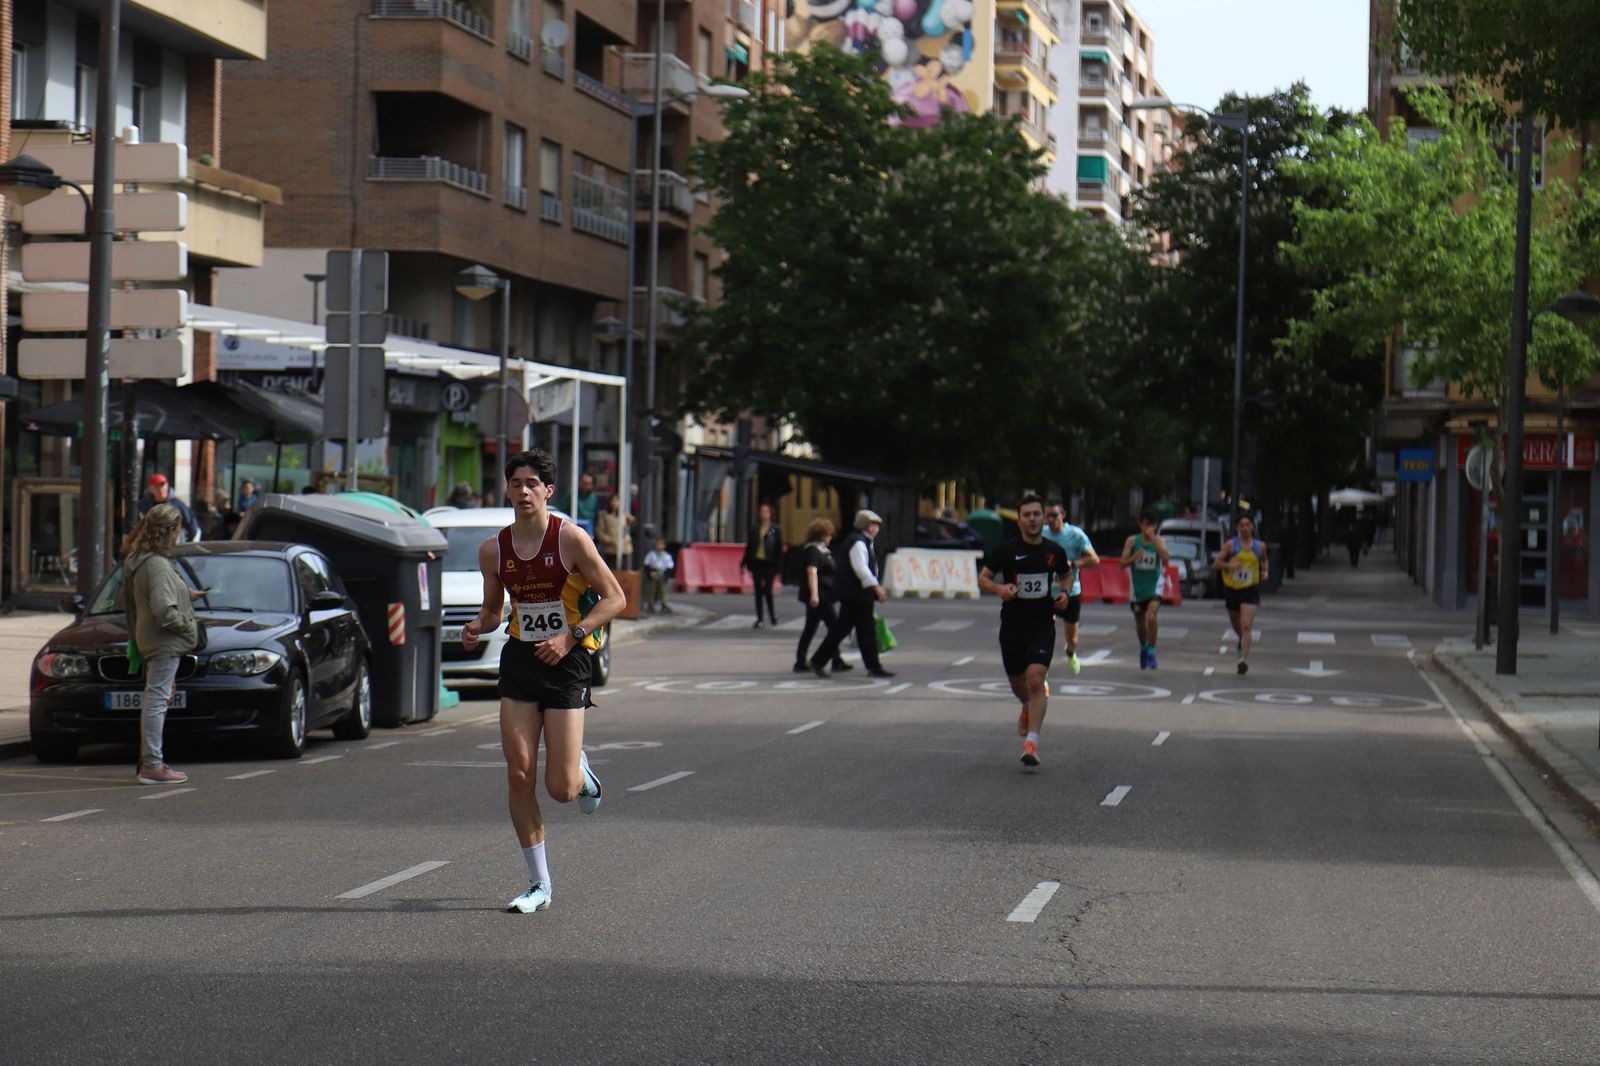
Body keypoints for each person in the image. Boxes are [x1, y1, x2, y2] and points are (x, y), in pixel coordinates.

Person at [461, 449, 626, 914]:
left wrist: (570, 636)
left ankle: (580, 772)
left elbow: (615, 598)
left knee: (561, 790)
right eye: (517, 483)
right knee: (518, 774)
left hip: (567, 661)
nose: (524, 491)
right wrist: (477, 626)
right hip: (520, 661)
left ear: (548, 491)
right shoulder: (493, 549)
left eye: (533, 483)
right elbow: (495, 610)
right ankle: (539, 885)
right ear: (508, 490)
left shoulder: (570, 539)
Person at [977, 494, 1073, 769]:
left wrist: (1064, 593)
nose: (1032, 519)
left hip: (1043, 624)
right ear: (1019, 520)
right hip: (1013, 626)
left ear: (1044, 518)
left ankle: (1031, 742)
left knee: (1035, 679)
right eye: (1027, 515)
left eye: (1036, 514)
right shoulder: (1006, 551)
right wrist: (1000, 589)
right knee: (1019, 685)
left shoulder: (1054, 551)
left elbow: (1066, 574)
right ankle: (1026, 706)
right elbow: (983, 579)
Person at [117, 504, 205, 785]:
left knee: (158, 697)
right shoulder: (156, 564)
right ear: (171, 531)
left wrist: (186, 594)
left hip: (152, 638)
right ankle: (152, 764)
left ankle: (150, 761)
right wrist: (188, 624)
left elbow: (156, 596)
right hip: (163, 640)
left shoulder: (142, 558)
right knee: (156, 700)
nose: (179, 534)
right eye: (178, 529)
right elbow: (163, 611)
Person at [810, 509, 893, 679]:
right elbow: (860, 568)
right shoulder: (858, 542)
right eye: (872, 525)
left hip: (858, 594)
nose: (876, 529)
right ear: (864, 526)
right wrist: (876, 587)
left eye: (877, 525)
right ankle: (819, 660)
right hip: (856, 595)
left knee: (863, 630)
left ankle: (873, 665)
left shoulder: (862, 541)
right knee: (847, 629)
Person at [1039, 500, 1099, 674]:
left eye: (1054, 515)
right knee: (1044, 632)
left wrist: (1073, 563)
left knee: (1072, 637)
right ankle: (1042, 668)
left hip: (1071, 591)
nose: (1050, 519)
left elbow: (1094, 559)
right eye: (1047, 515)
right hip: (1046, 592)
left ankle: (1071, 652)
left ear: (1063, 515)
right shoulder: (1040, 534)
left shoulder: (1075, 535)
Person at [793, 518, 851, 674]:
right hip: (820, 595)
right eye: (829, 534)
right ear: (821, 535)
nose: (831, 537)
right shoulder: (813, 550)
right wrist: (814, 594)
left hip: (822, 594)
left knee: (810, 627)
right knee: (834, 626)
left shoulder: (822, 549)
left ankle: (801, 660)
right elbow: (812, 572)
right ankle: (833, 659)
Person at [1215, 513, 1268, 675]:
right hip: (1232, 588)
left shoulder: (1260, 546)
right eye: (1242, 525)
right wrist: (1231, 566)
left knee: (1246, 625)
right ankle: (1241, 640)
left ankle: (1243, 660)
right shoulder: (1231, 545)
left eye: (1248, 525)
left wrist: (1265, 571)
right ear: (1237, 528)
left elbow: (1264, 559)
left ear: (1252, 527)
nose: (1245, 528)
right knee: (1235, 621)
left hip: (1250, 588)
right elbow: (1216, 563)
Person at [1119, 512, 1170, 670]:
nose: (1148, 528)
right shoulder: (1132, 541)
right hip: (1137, 587)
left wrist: (1154, 539)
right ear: (1140, 525)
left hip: (1155, 585)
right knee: (1140, 623)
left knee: (1151, 615)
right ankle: (1144, 648)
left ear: (1155, 526)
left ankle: (1152, 652)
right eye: (1145, 524)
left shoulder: (1160, 540)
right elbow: (1122, 563)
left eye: (1151, 525)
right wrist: (1134, 558)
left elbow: (1166, 558)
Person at [741, 501, 782, 628]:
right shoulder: (755, 528)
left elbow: (779, 549)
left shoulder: (775, 529)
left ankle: (772, 614)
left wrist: (779, 568)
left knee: (768, 590)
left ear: (770, 514)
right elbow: (749, 547)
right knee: (758, 589)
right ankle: (759, 618)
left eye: (766, 511)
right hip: (756, 562)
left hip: (769, 563)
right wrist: (743, 562)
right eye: (762, 511)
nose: (764, 514)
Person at [136, 474, 201, 542]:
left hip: (174, 548)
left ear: (167, 485)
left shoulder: (177, 505)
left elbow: (192, 526)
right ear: (150, 489)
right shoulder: (143, 506)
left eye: (162, 485)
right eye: (156, 486)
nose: (161, 489)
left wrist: (188, 546)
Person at [594, 492, 634, 566]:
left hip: (624, 548)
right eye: (613, 501)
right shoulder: (604, 514)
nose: (615, 503)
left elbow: (632, 521)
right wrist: (607, 540)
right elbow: (599, 531)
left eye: (617, 501)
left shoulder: (623, 513)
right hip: (610, 548)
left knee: (624, 572)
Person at [641, 537, 674, 614]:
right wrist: (650, 573)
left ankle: (664, 604)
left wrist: (666, 576)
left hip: (662, 573)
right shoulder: (651, 554)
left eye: (661, 544)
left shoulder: (667, 556)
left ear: (664, 546)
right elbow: (646, 564)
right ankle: (651, 605)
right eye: (657, 544)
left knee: (662, 590)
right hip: (653, 572)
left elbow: (670, 566)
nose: (659, 546)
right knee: (652, 590)